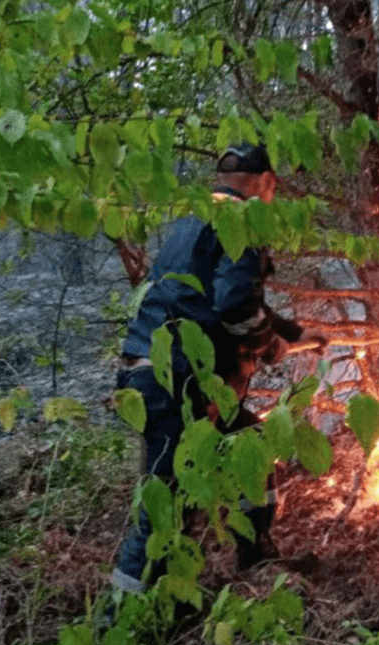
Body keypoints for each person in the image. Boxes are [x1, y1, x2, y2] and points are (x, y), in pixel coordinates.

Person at [111, 143, 325, 594]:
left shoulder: (194, 220)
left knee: (251, 442)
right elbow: (235, 310)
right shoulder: (243, 220)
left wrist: (293, 332)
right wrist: (270, 346)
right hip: (175, 381)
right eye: (273, 189)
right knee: (167, 503)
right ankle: (123, 623)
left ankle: (256, 551)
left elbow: (216, 298)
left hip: (153, 371)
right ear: (265, 182)